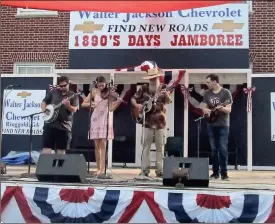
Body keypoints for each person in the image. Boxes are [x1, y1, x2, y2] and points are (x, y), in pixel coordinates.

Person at [131, 68, 172, 178]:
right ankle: (144, 170)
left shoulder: (164, 87)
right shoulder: (144, 88)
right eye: (151, 78)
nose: (153, 80)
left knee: (160, 147)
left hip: (160, 122)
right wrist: (137, 105)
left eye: (154, 78)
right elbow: (133, 99)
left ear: (158, 77)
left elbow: (168, 101)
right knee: (146, 147)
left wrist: (166, 94)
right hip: (147, 122)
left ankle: (160, 171)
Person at [81, 76, 123, 177]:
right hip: (95, 119)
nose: (101, 87)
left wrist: (117, 103)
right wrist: (91, 105)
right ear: (96, 85)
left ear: (106, 84)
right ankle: (98, 168)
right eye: (99, 85)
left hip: (105, 119)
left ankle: (103, 169)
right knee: (96, 145)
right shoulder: (94, 92)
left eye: (103, 85)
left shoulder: (109, 94)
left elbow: (111, 108)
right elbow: (83, 104)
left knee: (103, 143)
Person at [202, 74, 233, 180]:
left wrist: (221, 108)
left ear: (215, 82)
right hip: (211, 124)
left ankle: (224, 173)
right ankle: (215, 173)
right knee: (214, 149)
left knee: (222, 149)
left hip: (223, 125)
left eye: (208, 82)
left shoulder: (226, 93)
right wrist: (208, 111)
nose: (207, 84)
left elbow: (229, 109)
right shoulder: (207, 93)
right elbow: (204, 108)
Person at [41, 76, 79, 154]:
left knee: (61, 152)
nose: (63, 87)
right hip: (50, 125)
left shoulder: (73, 95)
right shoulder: (53, 92)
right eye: (61, 86)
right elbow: (44, 102)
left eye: (65, 85)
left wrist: (68, 105)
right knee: (46, 150)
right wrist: (45, 110)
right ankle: (46, 166)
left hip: (64, 127)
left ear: (69, 84)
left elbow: (74, 109)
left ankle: (59, 166)